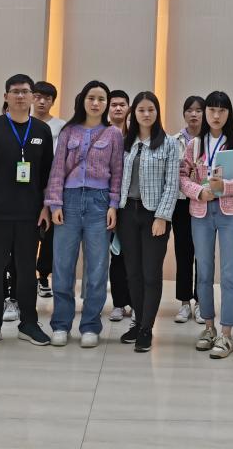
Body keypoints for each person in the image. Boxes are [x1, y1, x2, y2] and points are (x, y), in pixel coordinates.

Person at [0, 74, 54, 350]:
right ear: (6, 96)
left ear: (32, 97)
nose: (20, 96)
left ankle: (29, 324)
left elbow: (47, 175)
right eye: (15, 91)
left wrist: (46, 208)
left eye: (25, 92)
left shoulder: (41, 130)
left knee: (27, 272)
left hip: (31, 215)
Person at [45, 80, 122, 348]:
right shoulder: (68, 131)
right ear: (83, 100)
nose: (96, 103)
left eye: (101, 99)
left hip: (99, 203)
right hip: (69, 201)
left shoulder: (113, 134)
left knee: (98, 268)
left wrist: (113, 204)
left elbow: (117, 172)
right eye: (91, 98)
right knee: (62, 265)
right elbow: (57, 169)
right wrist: (55, 204)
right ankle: (61, 324)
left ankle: (90, 325)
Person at [181, 90, 233, 359]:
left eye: (221, 110)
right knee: (203, 271)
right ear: (205, 113)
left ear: (228, 114)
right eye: (211, 110)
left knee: (228, 273)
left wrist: (224, 186)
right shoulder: (195, 144)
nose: (216, 115)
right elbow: (182, 176)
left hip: (231, 213)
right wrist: (198, 192)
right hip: (201, 211)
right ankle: (208, 327)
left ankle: (226, 333)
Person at [116, 91, 179, 352]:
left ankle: (146, 328)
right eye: (141, 110)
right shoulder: (125, 143)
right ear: (134, 113)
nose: (146, 114)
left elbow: (172, 184)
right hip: (126, 214)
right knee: (132, 273)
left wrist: (162, 216)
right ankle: (138, 321)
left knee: (150, 273)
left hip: (153, 214)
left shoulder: (169, 144)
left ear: (157, 112)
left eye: (150, 109)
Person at [31, 80, 65, 302]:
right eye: (38, 97)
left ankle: (43, 276)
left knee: (51, 235)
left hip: (53, 187)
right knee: (28, 234)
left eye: (47, 98)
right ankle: (23, 276)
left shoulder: (62, 126)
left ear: (53, 101)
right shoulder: (23, 122)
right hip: (28, 186)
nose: (42, 101)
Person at [172, 95, 205, 324]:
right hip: (181, 202)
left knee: (203, 254)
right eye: (189, 110)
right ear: (184, 113)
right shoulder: (174, 141)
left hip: (204, 201)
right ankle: (184, 303)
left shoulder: (211, 141)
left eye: (198, 110)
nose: (194, 114)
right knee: (183, 252)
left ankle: (202, 303)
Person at [106, 88, 132, 323]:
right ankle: (117, 303)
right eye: (113, 104)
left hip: (128, 203)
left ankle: (131, 301)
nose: (117, 108)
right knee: (112, 254)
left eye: (122, 104)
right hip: (103, 201)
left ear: (128, 108)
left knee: (128, 254)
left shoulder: (135, 136)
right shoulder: (100, 133)